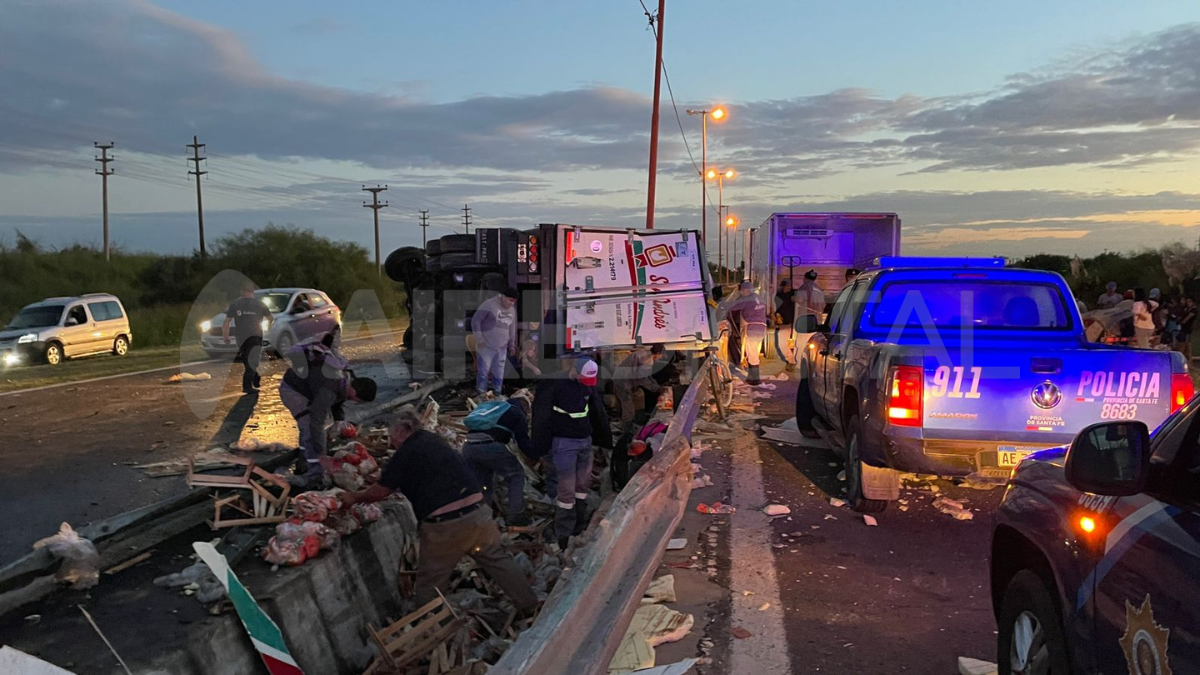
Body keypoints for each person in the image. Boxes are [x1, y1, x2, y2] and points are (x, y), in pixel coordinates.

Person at [341, 406, 537, 613]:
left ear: (400, 431)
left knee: (430, 582)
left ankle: (428, 624)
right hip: (479, 515)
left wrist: (354, 497)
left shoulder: (406, 453)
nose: (392, 442)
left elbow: (379, 492)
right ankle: (529, 604)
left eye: (392, 436)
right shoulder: (434, 441)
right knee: (499, 559)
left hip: (447, 527)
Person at [531, 357, 613, 550]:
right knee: (567, 490)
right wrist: (540, 447)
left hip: (585, 441)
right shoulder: (553, 384)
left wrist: (604, 439)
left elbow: (596, 410)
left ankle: (580, 525)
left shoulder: (586, 385)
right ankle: (564, 534)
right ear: (574, 371)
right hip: (564, 443)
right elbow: (541, 416)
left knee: (582, 486)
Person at [279, 334, 377, 487]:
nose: (356, 403)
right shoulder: (330, 387)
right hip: (293, 390)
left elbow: (338, 402)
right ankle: (313, 476)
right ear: (355, 393)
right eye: (358, 401)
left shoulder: (348, 379)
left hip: (309, 388)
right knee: (309, 428)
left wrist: (339, 422)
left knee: (312, 432)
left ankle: (303, 462)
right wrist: (321, 454)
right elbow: (316, 423)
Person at [461, 393, 536, 526]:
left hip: (469, 447)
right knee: (516, 475)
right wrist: (537, 456)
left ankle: (482, 519)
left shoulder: (494, 409)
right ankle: (516, 514)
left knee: (483, 484)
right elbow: (523, 442)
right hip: (490, 446)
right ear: (525, 406)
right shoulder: (517, 412)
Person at [222, 283, 273, 394]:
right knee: (252, 361)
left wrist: (226, 336)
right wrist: (268, 327)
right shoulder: (260, 304)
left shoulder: (235, 304)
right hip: (255, 336)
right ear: (252, 292)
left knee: (247, 360)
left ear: (242, 292)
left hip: (241, 337)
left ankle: (255, 377)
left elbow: (227, 321)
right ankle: (247, 385)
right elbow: (270, 318)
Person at [471, 288, 519, 396]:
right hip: (486, 345)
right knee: (483, 372)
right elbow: (475, 320)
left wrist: (512, 345)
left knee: (499, 373)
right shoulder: (489, 304)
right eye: (510, 300)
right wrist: (479, 338)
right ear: (503, 296)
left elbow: (512, 328)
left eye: (514, 302)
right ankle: (481, 395)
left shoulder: (512, 310)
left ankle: (497, 395)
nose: (511, 303)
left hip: (502, 346)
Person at [724, 281, 769, 385]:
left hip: (752, 327)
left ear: (746, 290)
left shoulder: (747, 299)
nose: (742, 293)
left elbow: (734, 306)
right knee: (754, 351)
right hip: (762, 327)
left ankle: (755, 378)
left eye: (742, 291)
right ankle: (752, 376)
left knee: (751, 352)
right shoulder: (758, 298)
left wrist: (722, 305)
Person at [615, 344, 665, 422]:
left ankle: (639, 421)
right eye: (662, 355)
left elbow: (647, 376)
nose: (662, 357)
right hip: (623, 384)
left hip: (627, 381)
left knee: (640, 396)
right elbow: (642, 379)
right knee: (628, 409)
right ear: (658, 353)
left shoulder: (645, 354)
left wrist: (658, 386)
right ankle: (627, 430)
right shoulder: (647, 360)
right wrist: (657, 389)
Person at [773, 279, 798, 371]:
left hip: (794, 322)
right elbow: (777, 308)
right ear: (783, 286)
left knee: (795, 343)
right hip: (784, 323)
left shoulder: (794, 294)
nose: (789, 287)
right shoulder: (779, 296)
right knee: (782, 343)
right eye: (787, 285)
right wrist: (777, 314)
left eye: (790, 285)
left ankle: (792, 362)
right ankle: (790, 360)